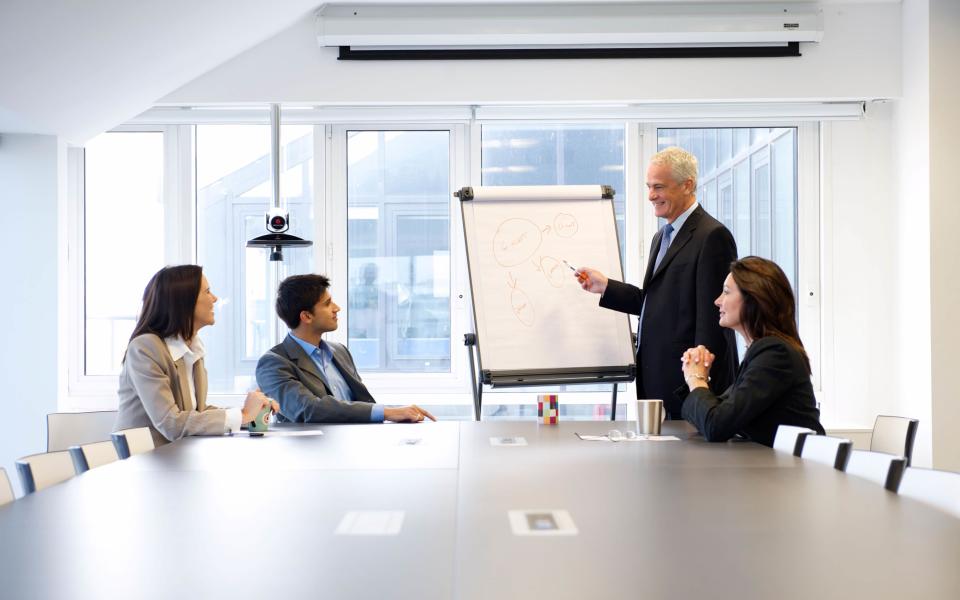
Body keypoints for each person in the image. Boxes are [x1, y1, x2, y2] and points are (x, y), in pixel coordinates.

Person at [576, 147, 738, 418]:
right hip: (657, 380)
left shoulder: (712, 236)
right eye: (649, 187)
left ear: (688, 185)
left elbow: (713, 320)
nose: (651, 195)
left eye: (659, 187)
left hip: (687, 387)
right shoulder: (661, 237)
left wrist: (699, 387)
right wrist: (605, 286)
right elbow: (656, 304)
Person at [115, 265, 278, 447]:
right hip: (143, 465)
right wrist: (244, 415)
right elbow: (171, 423)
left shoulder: (192, 349)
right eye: (207, 292)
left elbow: (196, 411)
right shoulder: (145, 348)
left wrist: (251, 413)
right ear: (184, 301)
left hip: (176, 459)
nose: (215, 299)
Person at [678, 257, 825, 447]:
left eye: (726, 292)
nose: (717, 301)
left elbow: (716, 425)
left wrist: (696, 379)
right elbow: (714, 416)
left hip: (794, 472)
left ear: (753, 299)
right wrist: (699, 379)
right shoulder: (761, 351)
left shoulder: (775, 353)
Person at [256, 274, 435, 424]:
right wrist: (387, 412)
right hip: (314, 456)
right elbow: (308, 409)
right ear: (307, 316)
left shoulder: (339, 351)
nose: (337, 308)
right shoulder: (273, 364)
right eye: (327, 304)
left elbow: (361, 404)